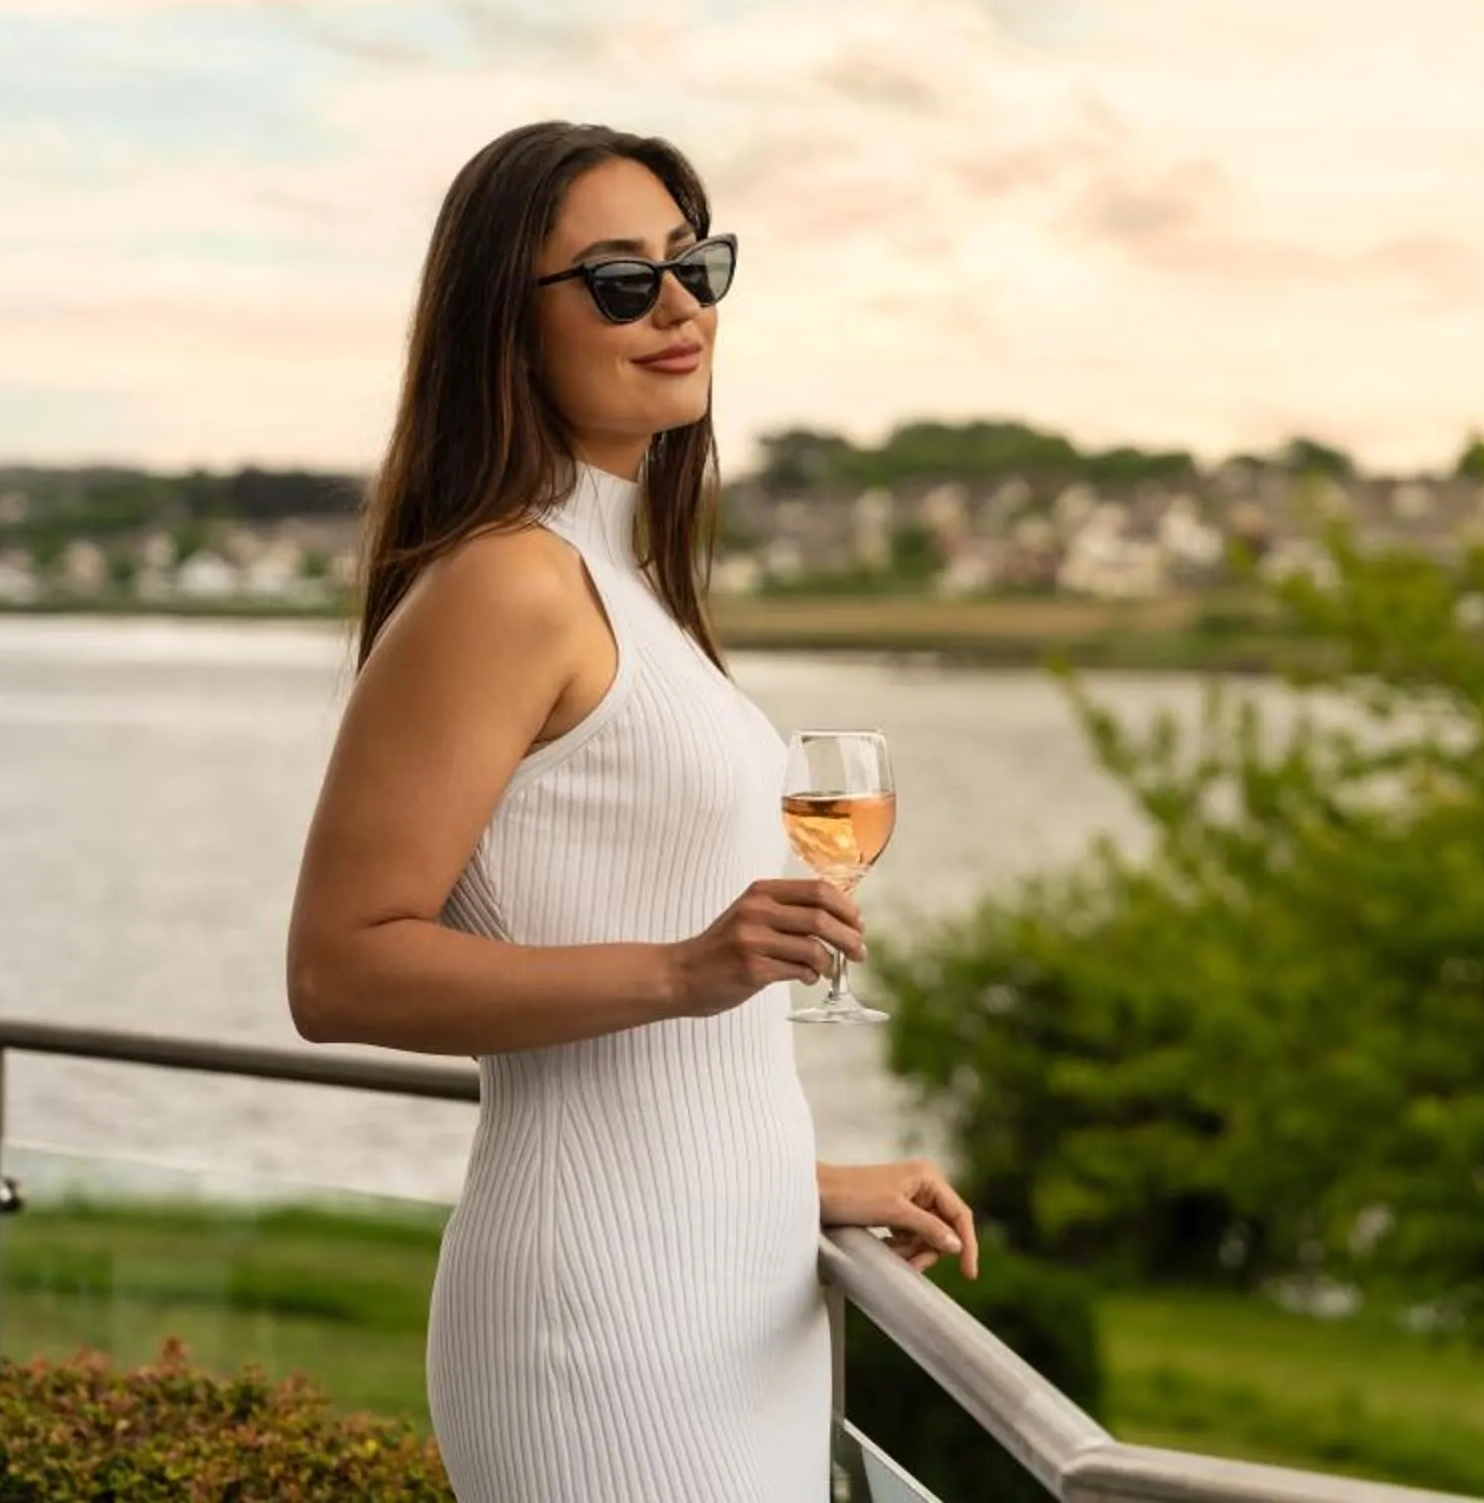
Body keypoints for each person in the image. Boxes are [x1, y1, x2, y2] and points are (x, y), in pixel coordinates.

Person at [286, 120, 980, 1501]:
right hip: (605, 1328)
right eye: (618, 280)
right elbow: (339, 965)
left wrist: (795, 1179)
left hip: (730, 1290)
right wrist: (689, 967)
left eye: (694, 264)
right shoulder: (507, 584)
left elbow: (652, 1057)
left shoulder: (627, 580)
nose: (677, 306)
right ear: (507, 323)